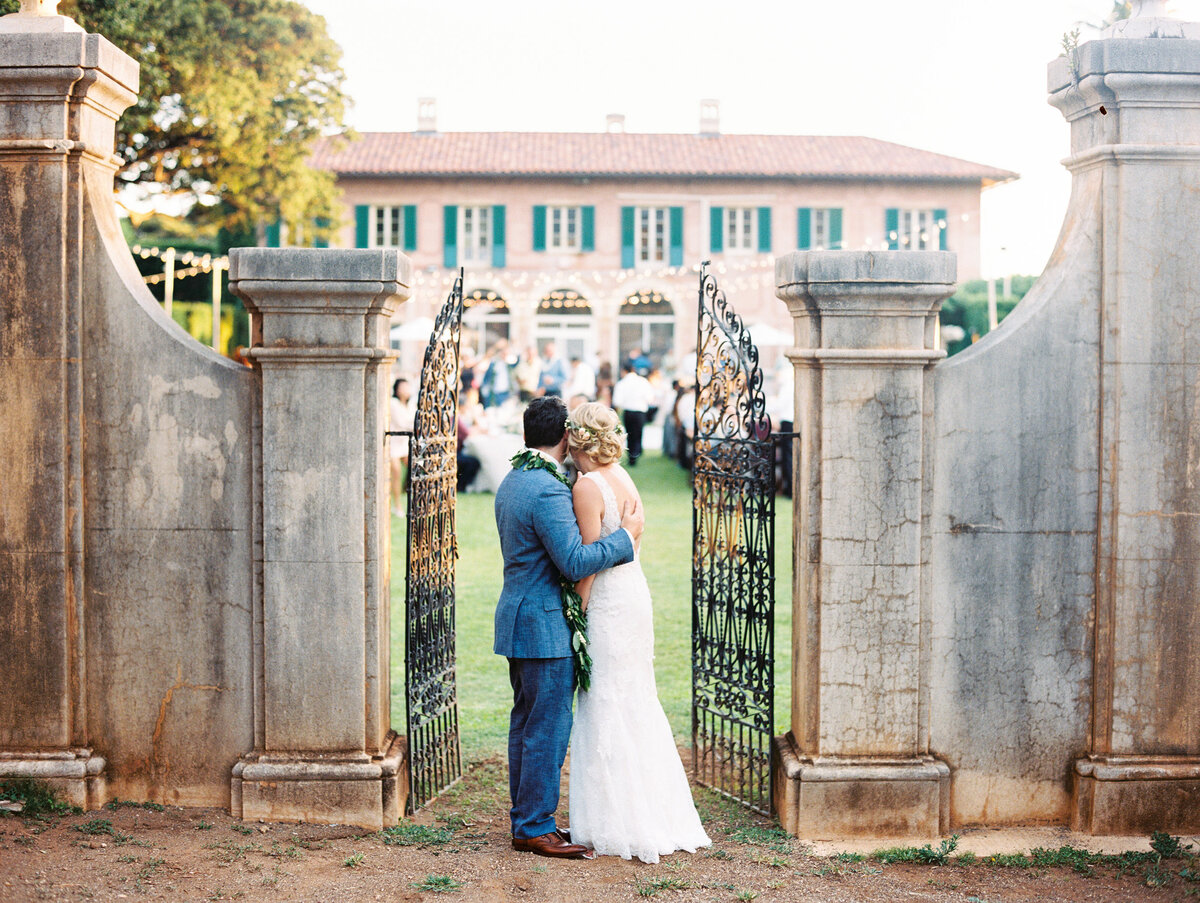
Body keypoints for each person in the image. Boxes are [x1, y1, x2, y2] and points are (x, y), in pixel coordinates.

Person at [493, 396, 645, 860]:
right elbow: (575, 560)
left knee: (526, 725)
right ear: (564, 435)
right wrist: (626, 537)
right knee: (547, 728)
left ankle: (527, 822)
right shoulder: (546, 488)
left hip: (520, 618)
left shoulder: (515, 477)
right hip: (544, 626)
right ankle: (535, 826)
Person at [565, 402, 711, 863]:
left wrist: (575, 616)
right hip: (632, 596)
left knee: (605, 700)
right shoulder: (623, 476)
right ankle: (643, 811)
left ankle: (612, 822)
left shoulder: (587, 485)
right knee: (631, 699)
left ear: (576, 439)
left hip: (608, 602)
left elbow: (588, 562)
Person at [612, 362, 655, 466]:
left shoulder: (622, 383)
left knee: (630, 433)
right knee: (638, 433)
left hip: (628, 411)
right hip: (640, 411)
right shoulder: (643, 381)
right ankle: (636, 452)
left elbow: (617, 401)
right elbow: (650, 398)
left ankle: (632, 453)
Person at [389, 377, 415, 516]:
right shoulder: (393, 403)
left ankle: (414, 502)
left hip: (404, 443)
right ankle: (397, 505)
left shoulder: (410, 405)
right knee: (396, 472)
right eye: (403, 387)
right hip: (394, 443)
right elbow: (402, 423)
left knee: (415, 468)